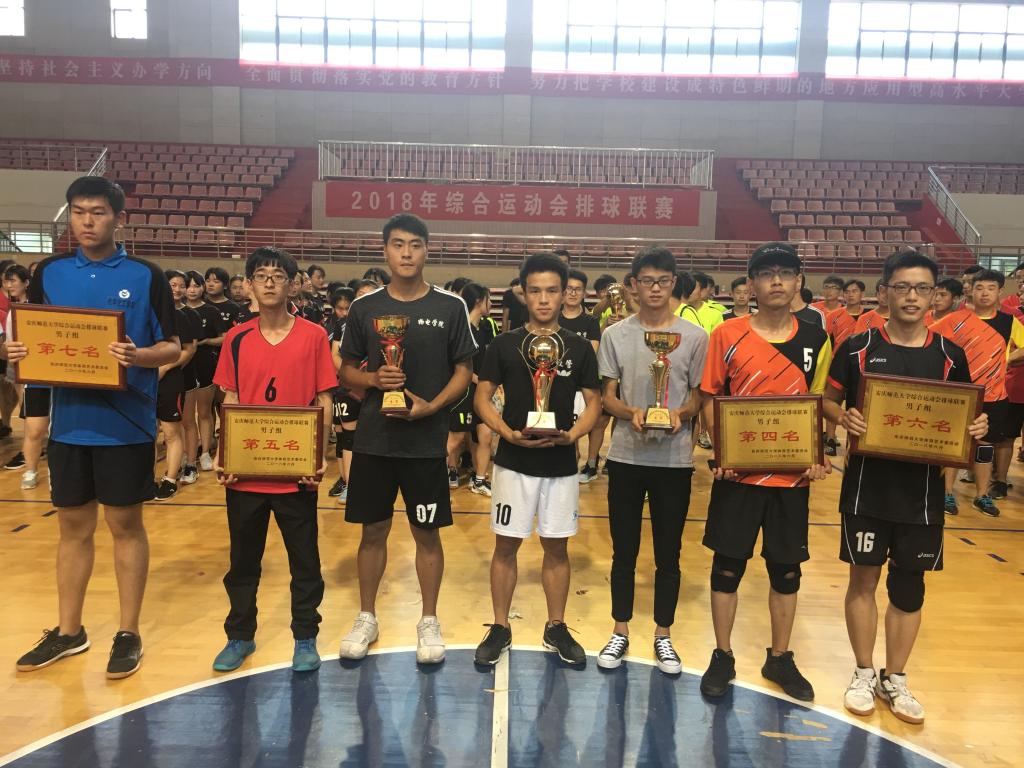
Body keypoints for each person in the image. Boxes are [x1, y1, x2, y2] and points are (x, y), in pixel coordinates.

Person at [11, 176, 179, 679]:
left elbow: (171, 347)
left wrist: (137, 356)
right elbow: (33, 333)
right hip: (68, 427)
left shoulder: (146, 275)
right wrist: (15, 350)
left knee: (125, 527)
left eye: (98, 212)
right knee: (72, 529)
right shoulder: (50, 272)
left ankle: (128, 632)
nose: (87, 221)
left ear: (118, 218)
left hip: (125, 426)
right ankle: (69, 632)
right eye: (79, 211)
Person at [824, 249, 988, 725]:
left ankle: (894, 678)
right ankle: (862, 672)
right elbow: (828, 401)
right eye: (902, 287)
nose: (911, 296)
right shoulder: (857, 347)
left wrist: (975, 428)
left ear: (934, 296)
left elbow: (965, 412)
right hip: (866, 486)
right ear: (884, 293)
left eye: (921, 288)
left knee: (909, 586)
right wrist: (844, 417)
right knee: (863, 579)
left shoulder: (950, 356)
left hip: (923, 492)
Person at [337, 214, 476, 665]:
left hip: (425, 443)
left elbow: (464, 370)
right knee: (372, 531)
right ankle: (367, 616)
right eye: (398, 244)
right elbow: (346, 371)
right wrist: (373, 379)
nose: (407, 253)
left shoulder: (451, 307)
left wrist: (432, 407)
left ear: (427, 250)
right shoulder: (365, 308)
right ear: (385, 251)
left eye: (415, 244)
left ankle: (428, 619)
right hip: (375, 440)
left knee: (426, 533)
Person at [697, 242, 832, 702]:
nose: (776, 281)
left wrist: (815, 452)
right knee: (726, 569)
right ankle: (722, 654)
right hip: (738, 477)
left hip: (792, 480)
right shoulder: (726, 334)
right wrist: (722, 451)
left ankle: (779, 657)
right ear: (751, 283)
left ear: (798, 282)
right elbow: (711, 396)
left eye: (786, 273)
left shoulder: (816, 338)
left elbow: (818, 404)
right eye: (766, 273)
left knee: (786, 572)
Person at [210, 247, 335, 674]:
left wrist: (318, 456)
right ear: (247, 285)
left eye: (278, 275)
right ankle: (239, 635)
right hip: (245, 473)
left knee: (305, 562)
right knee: (243, 563)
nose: (268, 282)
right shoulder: (237, 338)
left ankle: (305, 636)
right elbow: (230, 398)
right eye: (260, 275)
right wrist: (224, 453)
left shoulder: (314, 336)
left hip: (296, 473)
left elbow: (323, 398)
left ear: (292, 284)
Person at [472, 253, 601, 667]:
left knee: (557, 548)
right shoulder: (503, 345)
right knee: (505, 546)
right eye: (535, 291)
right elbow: (481, 397)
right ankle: (500, 626)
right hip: (513, 463)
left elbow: (595, 403)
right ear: (522, 294)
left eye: (551, 291)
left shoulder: (579, 347)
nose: (543, 299)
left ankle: (556, 626)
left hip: (560, 465)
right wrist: (505, 432)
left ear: (564, 294)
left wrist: (573, 436)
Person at [595, 246, 707, 674]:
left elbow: (698, 396)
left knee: (669, 553)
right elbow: (607, 396)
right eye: (647, 281)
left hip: (674, 460)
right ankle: (619, 629)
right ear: (633, 285)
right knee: (623, 550)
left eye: (663, 281)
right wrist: (631, 413)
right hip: (626, 455)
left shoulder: (694, 337)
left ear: (674, 283)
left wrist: (680, 414)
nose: (655, 288)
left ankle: (663, 634)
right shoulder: (615, 335)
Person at [931, 268, 1024, 517]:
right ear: (971, 290)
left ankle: (982, 496)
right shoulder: (955, 319)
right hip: (959, 394)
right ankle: (946, 493)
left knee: (985, 447)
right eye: (979, 288)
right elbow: (928, 339)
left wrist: (1007, 359)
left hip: (994, 396)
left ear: (1000, 292)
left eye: (991, 288)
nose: (984, 293)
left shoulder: (1009, 322)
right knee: (954, 446)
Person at [1, 264, 50, 490]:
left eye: (13, 280)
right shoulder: (16, 312)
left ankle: (56, 471)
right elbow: (9, 346)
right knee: (33, 427)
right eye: (6, 280)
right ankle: (30, 470)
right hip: (32, 375)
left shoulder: (54, 307)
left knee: (56, 429)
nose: (8, 285)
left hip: (57, 376)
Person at [446, 282, 498, 496]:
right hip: (464, 394)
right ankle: (432, 475)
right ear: (479, 301)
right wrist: (482, 381)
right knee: (455, 439)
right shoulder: (462, 329)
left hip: (480, 394)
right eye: (488, 299)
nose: (491, 304)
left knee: (485, 436)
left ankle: (479, 480)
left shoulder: (481, 328)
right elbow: (459, 368)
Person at [153, 270, 198, 501]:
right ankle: (146, 479)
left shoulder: (181, 317)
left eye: (181, 285)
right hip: (145, 382)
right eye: (172, 285)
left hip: (171, 382)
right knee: (148, 433)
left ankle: (170, 479)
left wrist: (165, 368)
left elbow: (188, 349)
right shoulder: (145, 312)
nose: (177, 289)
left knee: (171, 432)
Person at [560, 269, 604, 483]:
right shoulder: (554, 318)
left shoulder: (590, 322)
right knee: (567, 428)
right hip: (560, 383)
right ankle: (570, 462)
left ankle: (592, 464)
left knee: (593, 424)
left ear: (584, 293)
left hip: (584, 383)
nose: (572, 293)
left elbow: (591, 352)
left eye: (577, 289)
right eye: (568, 288)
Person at [182, 271, 227, 479]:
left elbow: (224, 338)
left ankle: (206, 452)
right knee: (185, 417)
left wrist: (206, 341)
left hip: (205, 364)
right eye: (188, 286)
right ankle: (187, 452)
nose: (192, 290)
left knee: (204, 412)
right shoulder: (176, 311)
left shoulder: (211, 311)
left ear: (201, 288)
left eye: (196, 285)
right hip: (183, 367)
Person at [823, 279, 867, 456]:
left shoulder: (869, 317)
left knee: (859, 405)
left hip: (860, 368)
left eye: (854, 291)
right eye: (847, 291)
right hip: (837, 366)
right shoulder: (833, 316)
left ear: (862, 294)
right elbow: (826, 342)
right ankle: (830, 439)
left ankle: (855, 443)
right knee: (832, 402)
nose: (850, 295)